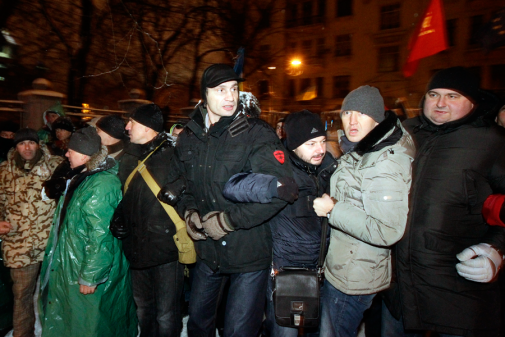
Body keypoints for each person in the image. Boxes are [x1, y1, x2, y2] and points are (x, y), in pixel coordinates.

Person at [168, 63, 292, 337]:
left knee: (238, 330)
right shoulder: (189, 137)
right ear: (205, 95)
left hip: (248, 253)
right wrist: (188, 212)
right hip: (208, 254)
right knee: (199, 325)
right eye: (221, 90)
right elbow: (182, 186)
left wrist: (228, 220)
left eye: (234, 89)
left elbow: (281, 190)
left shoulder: (256, 133)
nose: (230, 96)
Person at [382, 67, 505, 337]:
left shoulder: (493, 142)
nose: (440, 103)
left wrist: (497, 250)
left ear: (473, 102)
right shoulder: (404, 135)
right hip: (399, 291)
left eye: (453, 96)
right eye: (433, 94)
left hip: (460, 289)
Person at [223, 109, 337, 336]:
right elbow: (233, 185)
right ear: (293, 145)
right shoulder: (280, 167)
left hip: (324, 273)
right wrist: (274, 186)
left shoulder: (329, 167)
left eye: (323, 141)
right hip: (287, 274)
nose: (320, 149)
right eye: (311, 143)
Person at [312, 85, 414, 337]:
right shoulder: (364, 149)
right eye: (347, 113)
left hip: (354, 278)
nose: (352, 121)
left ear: (377, 117)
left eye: (361, 113)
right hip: (347, 267)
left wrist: (333, 210)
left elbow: (387, 230)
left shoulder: (385, 161)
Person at [38, 127, 137, 337]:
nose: (66, 154)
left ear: (83, 155)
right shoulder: (81, 177)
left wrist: (91, 276)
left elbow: (100, 235)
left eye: (70, 150)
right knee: (75, 322)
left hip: (86, 269)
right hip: (74, 263)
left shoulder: (100, 185)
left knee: (90, 325)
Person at [110, 103, 183, 337]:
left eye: (132, 122)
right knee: (144, 310)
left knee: (166, 314)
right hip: (136, 248)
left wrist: (180, 187)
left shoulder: (173, 155)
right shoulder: (128, 157)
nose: (127, 127)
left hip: (166, 250)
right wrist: (119, 217)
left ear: (148, 127)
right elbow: (125, 195)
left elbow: (194, 187)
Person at [0, 128, 62, 337]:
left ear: (38, 144)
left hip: (49, 244)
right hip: (18, 245)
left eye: (31, 143)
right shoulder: (4, 171)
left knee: (53, 295)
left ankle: (54, 333)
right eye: (21, 143)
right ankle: (22, 334)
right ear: (15, 147)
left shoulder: (54, 166)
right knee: (22, 296)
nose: (27, 148)